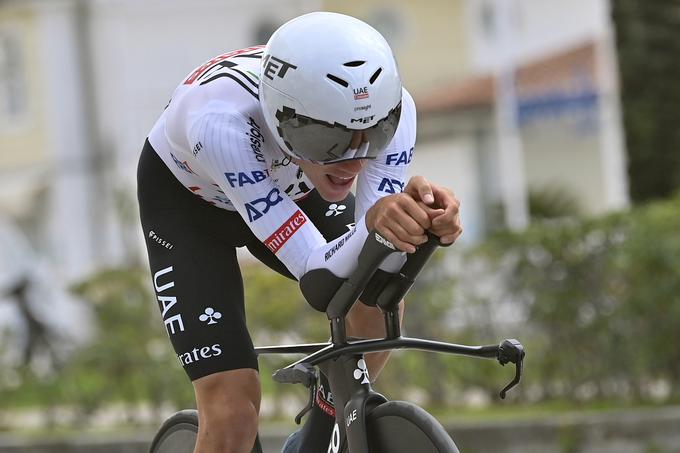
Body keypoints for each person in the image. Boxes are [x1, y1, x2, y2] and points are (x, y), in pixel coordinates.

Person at [137, 11, 462, 453]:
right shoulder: (220, 124)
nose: (352, 162)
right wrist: (372, 223)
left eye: (372, 136)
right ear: (280, 119)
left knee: (377, 294)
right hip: (188, 207)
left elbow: (378, 265)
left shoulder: (395, 111)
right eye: (331, 142)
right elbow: (318, 277)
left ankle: (323, 423)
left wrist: (418, 222)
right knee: (233, 413)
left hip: (293, 185)